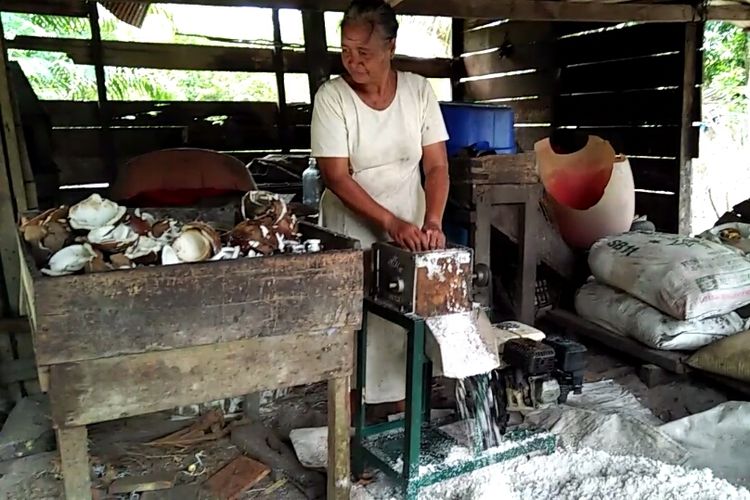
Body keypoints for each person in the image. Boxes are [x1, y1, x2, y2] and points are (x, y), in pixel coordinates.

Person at [310, 0, 450, 410]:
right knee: (356, 327)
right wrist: (389, 223)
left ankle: (402, 408)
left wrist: (432, 221)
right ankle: (351, 420)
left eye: (364, 52)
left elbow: (437, 166)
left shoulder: (418, 91)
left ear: (390, 47)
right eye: (346, 51)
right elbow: (336, 176)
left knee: (403, 320)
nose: (353, 62)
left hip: (408, 221)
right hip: (352, 229)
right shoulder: (333, 98)